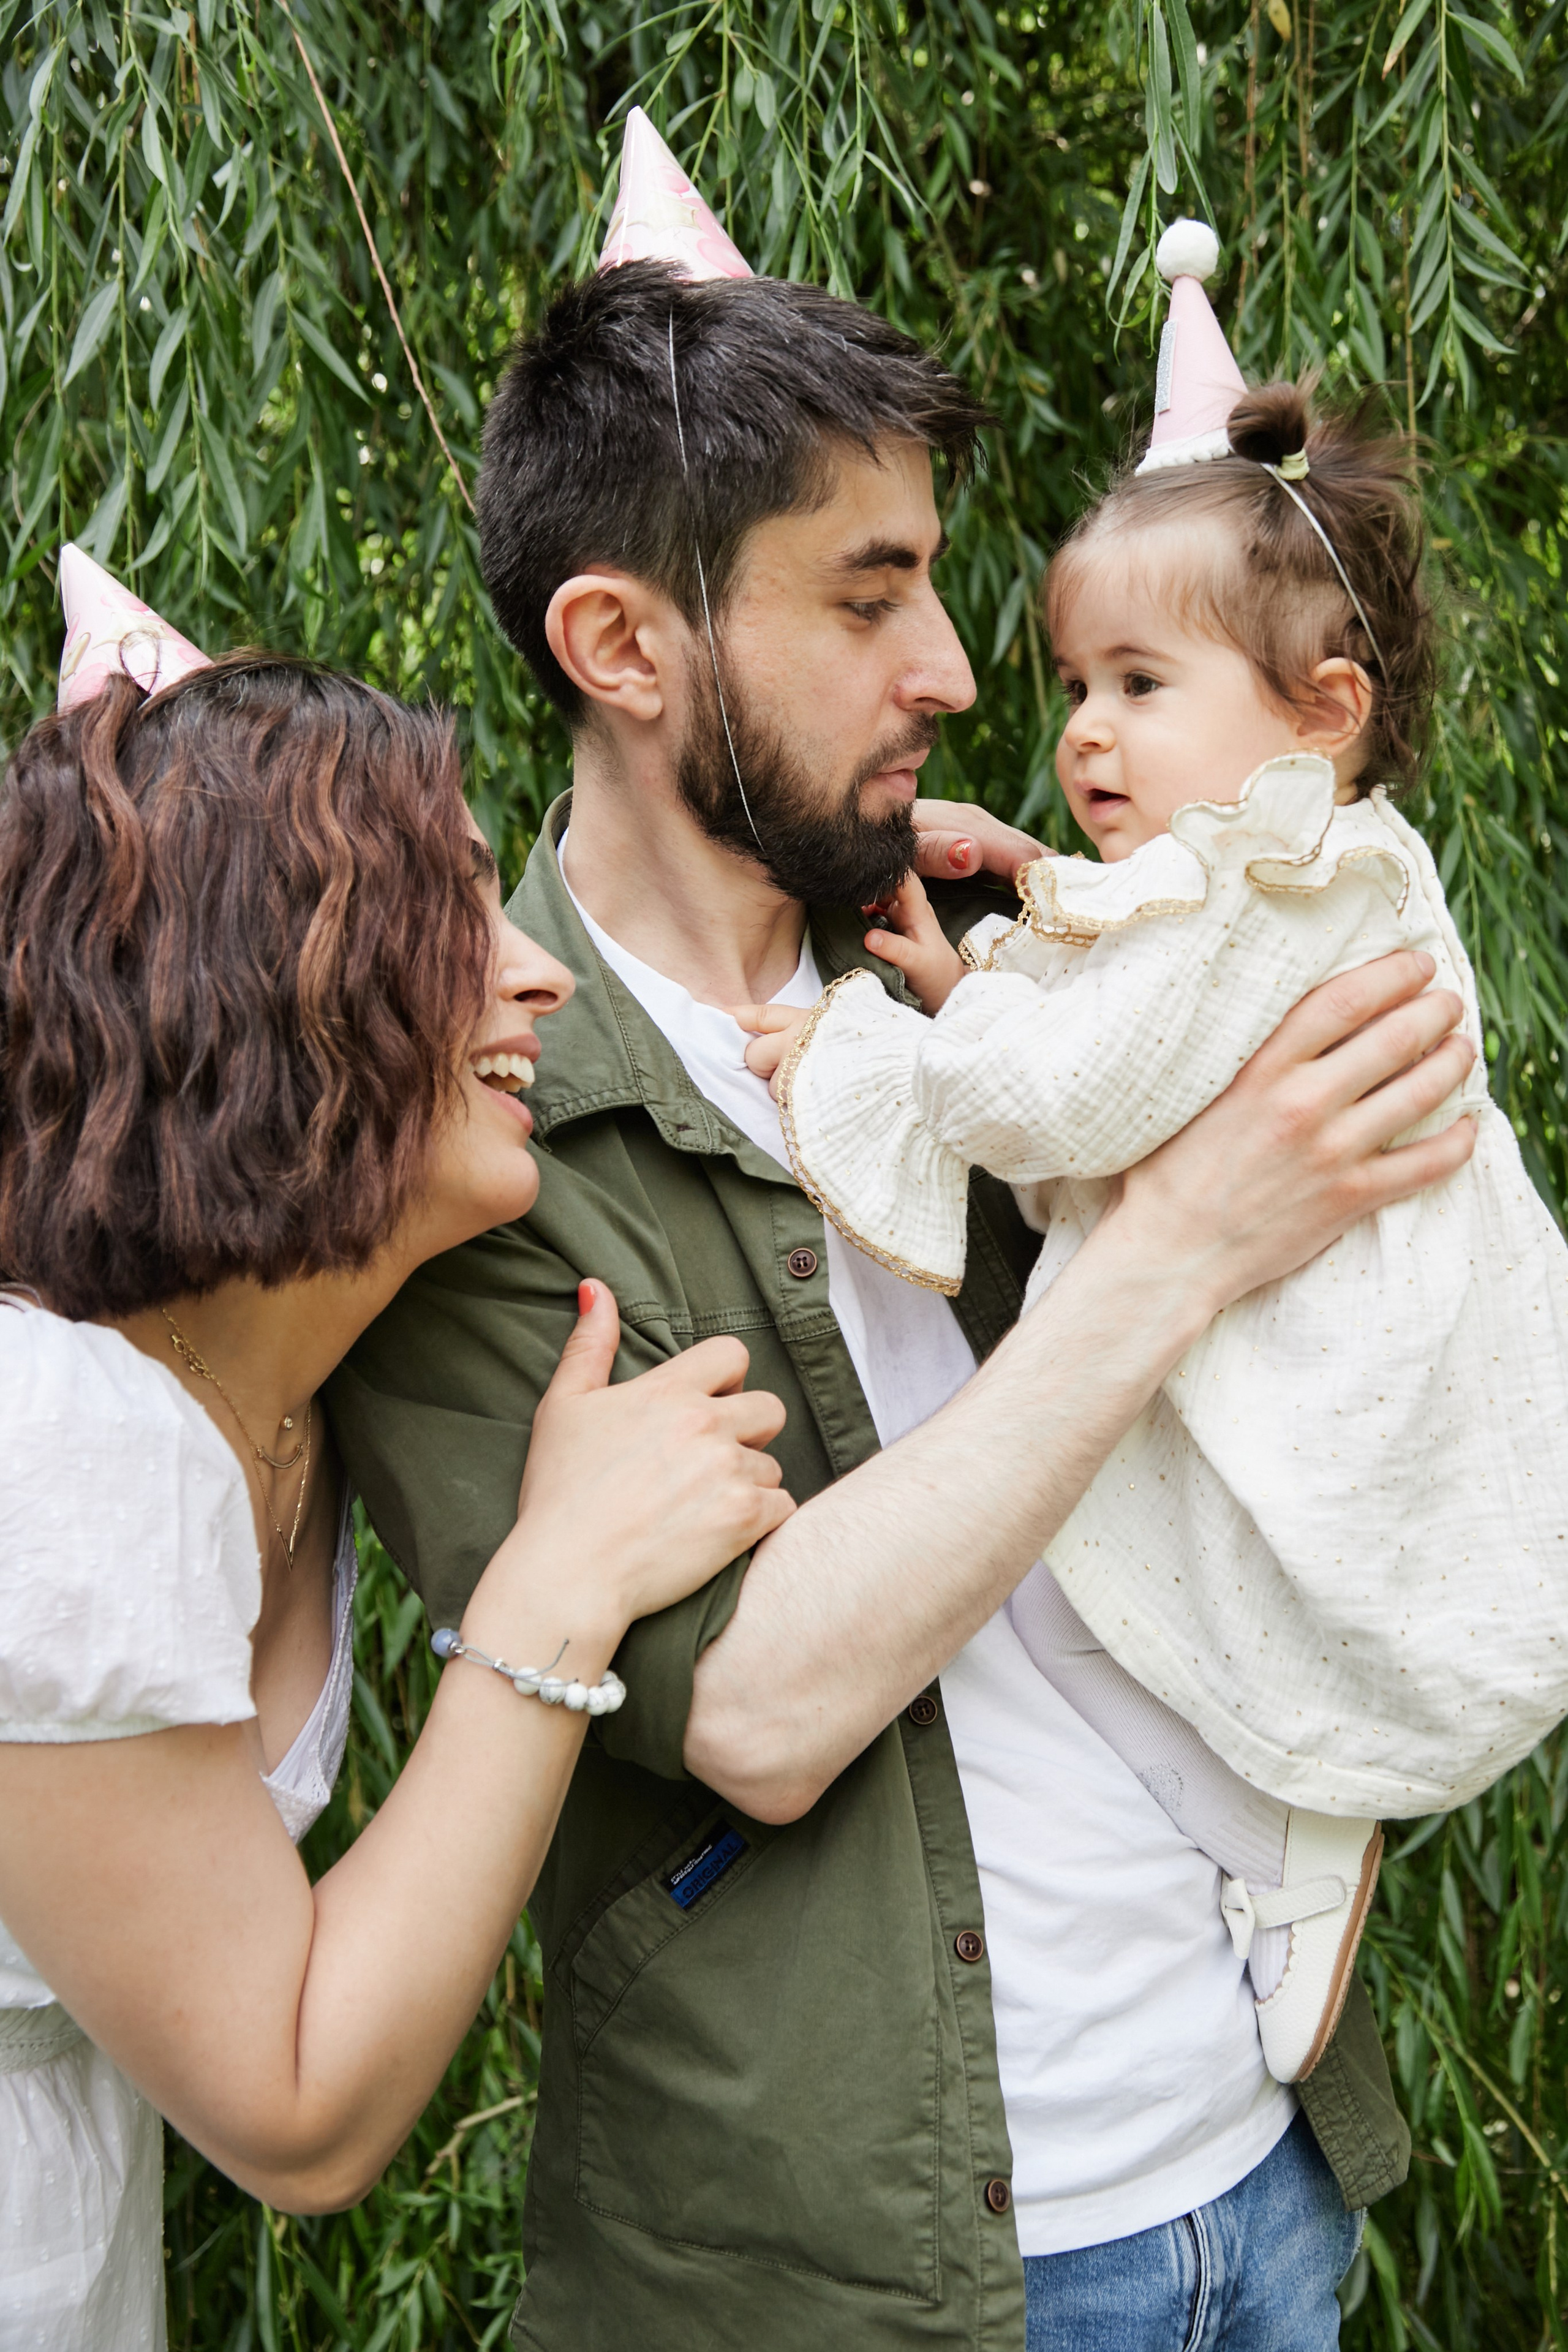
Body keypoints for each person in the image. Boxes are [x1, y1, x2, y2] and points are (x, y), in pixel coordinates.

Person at [332, 134, 1477, 2352]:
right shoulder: (472, 1138)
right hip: (905, 2273)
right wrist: (1179, 1245)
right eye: (868, 601)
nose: (957, 668)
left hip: (1263, 2166)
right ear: (621, 647)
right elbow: (752, 1705)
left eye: (938, 583)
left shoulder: (985, 940)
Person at [758, 247, 1568, 2088]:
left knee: (1190, 1598)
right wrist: (1016, 924)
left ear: (1322, 715)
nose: (1086, 730)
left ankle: (1289, 1834)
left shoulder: (1289, 873)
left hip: (1334, 1350)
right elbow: (1153, 1007)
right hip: (1293, 1277)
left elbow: (1077, 1100)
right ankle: (1269, 1832)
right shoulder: (1308, 860)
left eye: (1140, 680)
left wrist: (891, 1040)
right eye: (1076, 682)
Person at [0, 590, 797, 2352]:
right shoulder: (47, 1450)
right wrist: (558, 1587)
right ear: (257, 982)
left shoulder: (291, 1389)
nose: (540, 967)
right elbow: (298, 2104)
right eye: (447, 911)